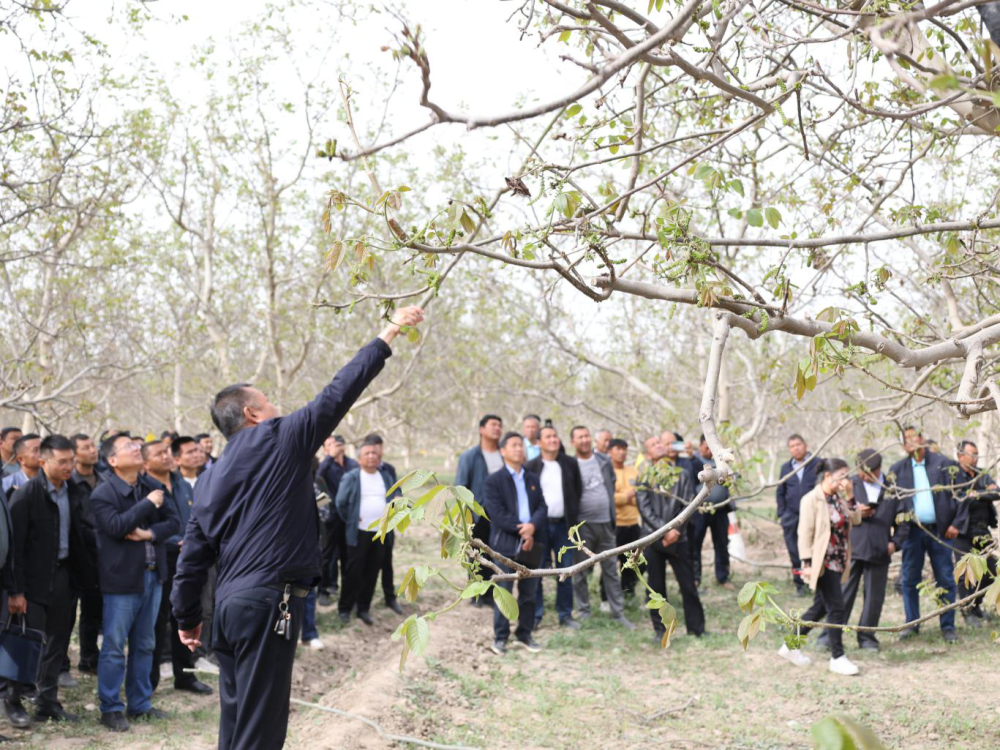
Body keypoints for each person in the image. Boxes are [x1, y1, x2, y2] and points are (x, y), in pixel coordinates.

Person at [171, 306, 423, 750]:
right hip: (270, 602)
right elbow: (340, 390)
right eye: (269, 401)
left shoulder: (210, 477)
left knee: (236, 722)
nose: (277, 407)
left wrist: (187, 617)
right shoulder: (281, 437)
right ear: (252, 413)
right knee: (261, 729)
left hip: (229, 609)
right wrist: (390, 332)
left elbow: (193, 554)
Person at [91, 433, 179, 731]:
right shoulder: (103, 494)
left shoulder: (150, 486)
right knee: (115, 646)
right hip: (122, 580)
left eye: (136, 444)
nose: (136, 448)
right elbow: (115, 526)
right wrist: (147, 506)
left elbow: (174, 522)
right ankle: (111, 707)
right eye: (129, 446)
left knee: (145, 643)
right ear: (113, 460)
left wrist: (148, 534)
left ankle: (140, 703)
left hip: (154, 574)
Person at [5, 435, 91, 726]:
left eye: (72, 461)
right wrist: (16, 590)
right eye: (62, 461)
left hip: (65, 576)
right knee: (25, 643)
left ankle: (48, 702)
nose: (70, 466)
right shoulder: (27, 495)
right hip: (32, 581)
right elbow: (13, 549)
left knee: (58, 642)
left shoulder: (76, 492)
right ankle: (13, 701)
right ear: (43, 462)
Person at [778, 458, 862, 676]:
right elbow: (804, 533)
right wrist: (806, 563)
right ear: (828, 476)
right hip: (822, 562)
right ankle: (837, 657)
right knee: (837, 608)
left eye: (847, 476)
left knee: (821, 608)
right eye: (841, 475)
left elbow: (856, 519)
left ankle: (790, 645)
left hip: (838, 560)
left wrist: (851, 495)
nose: (845, 480)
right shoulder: (812, 499)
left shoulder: (838, 499)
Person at [142, 440, 212, 696]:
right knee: (159, 621)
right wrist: (178, 541)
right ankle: (150, 681)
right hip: (163, 557)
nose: (166, 457)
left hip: (189, 558)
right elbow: (150, 526)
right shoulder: (145, 487)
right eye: (159, 454)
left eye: (166, 452)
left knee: (187, 613)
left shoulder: (182, 485)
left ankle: (185, 675)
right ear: (146, 462)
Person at [890, 426, 959, 642]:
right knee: (909, 579)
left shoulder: (943, 463)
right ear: (902, 446)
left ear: (922, 438)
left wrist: (955, 523)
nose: (910, 442)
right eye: (905, 439)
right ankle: (912, 624)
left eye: (913, 437)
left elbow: (960, 495)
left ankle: (947, 626)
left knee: (945, 577)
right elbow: (892, 504)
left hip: (941, 531)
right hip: (912, 532)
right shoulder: (898, 469)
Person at [481, 432, 547, 654]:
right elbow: (497, 514)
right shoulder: (493, 481)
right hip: (505, 545)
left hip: (532, 542)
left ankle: (524, 635)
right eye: (514, 445)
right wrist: (523, 530)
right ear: (503, 451)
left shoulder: (532, 478)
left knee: (530, 591)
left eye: (522, 445)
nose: (519, 449)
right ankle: (500, 637)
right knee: (504, 592)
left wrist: (532, 528)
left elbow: (542, 507)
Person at [838, 449, 907, 651]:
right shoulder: (849, 484)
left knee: (874, 598)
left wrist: (895, 543)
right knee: (843, 594)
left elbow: (904, 520)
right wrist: (856, 510)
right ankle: (831, 633)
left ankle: (867, 637)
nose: (861, 476)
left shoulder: (892, 488)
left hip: (880, 549)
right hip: (853, 548)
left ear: (877, 470)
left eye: (866, 473)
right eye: (859, 471)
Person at [637, 438, 706, 642]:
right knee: (656, 587)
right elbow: (644, 507)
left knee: (688, 585)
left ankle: (697, 629)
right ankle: (661, 630)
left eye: (660, 442)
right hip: (652, 539)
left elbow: (688, 504)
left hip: (679, 538)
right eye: (653, 445)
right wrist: (664, 531)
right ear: (648, 454)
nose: (659, 445)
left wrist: (675, 530)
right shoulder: (644, 476)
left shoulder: (682, 475)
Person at [570, 426, 633, 629]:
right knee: (580, 572)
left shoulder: (604, 461)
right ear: (573, 442)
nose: (584, 440)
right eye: (580, 437)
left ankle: (618, 613)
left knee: (611, 570)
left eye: (586, 436)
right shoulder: (570, 465)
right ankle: (584, 610)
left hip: (606, 523)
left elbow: (611, 485)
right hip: (582, 526)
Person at [335, 441, 400, 624]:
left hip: (380, 533)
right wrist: (353, 521)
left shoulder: (385, 476)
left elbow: (394, 496)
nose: (371, 456)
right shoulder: (352, 477)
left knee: (372, 572)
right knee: (353, 572)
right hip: (359, 532)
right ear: (359, 458)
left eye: (374, 453)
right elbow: (340, 503)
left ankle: (364, 608)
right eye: (367, 453)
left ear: (379, 457)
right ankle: (345, 608)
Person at [525, 425, 582, 629]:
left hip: (564, 527)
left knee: (565, 570)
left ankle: (565, 614)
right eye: (548, 437)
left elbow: (577, 491)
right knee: (537, 572)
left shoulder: (570, 464)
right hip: (539, 527)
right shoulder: (530, 466)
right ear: (539, 442)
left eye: (555, 436)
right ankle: (536, 615)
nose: (553, 440)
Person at [455, 414, 504, 606]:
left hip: (499, 512)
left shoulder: (503, 454)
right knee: (475, 553)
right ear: (482, 429)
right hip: (477, 512)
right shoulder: (470, 456)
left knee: (495, 552)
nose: (497, 428)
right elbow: (461, 486)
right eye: (493, 425)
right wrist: (463, 516)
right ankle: (476, 593)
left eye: (499, 425)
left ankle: (491, 592)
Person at [951, 440, 998, 627]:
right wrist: (981, 494)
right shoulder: (955, 476)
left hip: (983, 531)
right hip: (963, 532)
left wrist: (976, 495)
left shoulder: (982, 475)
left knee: (991, 570)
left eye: (977, 453)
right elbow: (960, 499)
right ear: (961, 456)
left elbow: (997, 492)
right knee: (965, 575)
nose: (976, 457)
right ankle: (967, 611)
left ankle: (977, 606)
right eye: (972, 454)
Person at [775, 434, 820, 596]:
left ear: (805, 445)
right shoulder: (785, 468)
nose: (796, 448)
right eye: (792, 446)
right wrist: (782, 514)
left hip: (813, 516)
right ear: (789, 449)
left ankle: (815, 583)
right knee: (794, 551)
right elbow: (780, 492)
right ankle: (800, 585)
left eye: (798, 444)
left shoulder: (817, 463)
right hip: (791, 516)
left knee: (814, 549)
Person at [363, 433, 402, 615]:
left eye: (379, 447)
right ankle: (360, 601)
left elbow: (396, 489)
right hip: (366, 528)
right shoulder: (360, 471)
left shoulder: (389, 469)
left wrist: (398, 499)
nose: (376, 453)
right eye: (372, 448)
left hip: (387, 525)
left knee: (387, 563)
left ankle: (390, 597)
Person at [316, 434, 358, 604]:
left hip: (348, 517)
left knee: (348, 556)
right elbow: (317, 478)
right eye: (329, 444)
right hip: (330, 518)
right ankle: (323, 590)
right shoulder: (324, 465)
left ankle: (347, 593)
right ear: (325, 449)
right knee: (326, 556)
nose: (334, 447)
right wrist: (330, 457)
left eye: (337, 444)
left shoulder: (352, 464)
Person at [690, 435, 734, 591]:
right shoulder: (692, 461)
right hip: (699, 511)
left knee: (722, 544)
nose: (709, 450)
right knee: (695, 544)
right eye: (706, 447)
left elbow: (733, 478)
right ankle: (695, 578)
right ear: (700, 446)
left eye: (711, 447)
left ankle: (723, 577)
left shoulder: (722, 462)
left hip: (720, 511)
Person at [608, 438, 641, 597]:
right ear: (610, 452)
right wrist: (626, 497)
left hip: (633, 524)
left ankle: (628, 593)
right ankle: (606, 597)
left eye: (624, 449)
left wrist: (625, 498)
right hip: (616, 525)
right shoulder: (607, 471)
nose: (621, 452)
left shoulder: (633, 471)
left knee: (632, 561)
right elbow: (608, 498)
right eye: (618, 449)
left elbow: (639, 495)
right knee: (610, 563)